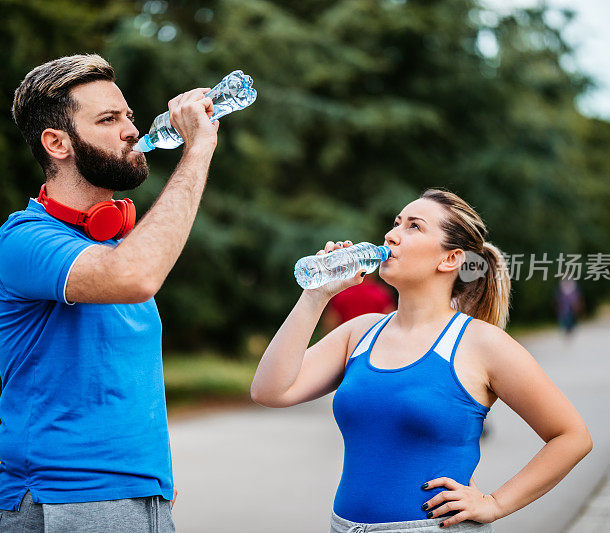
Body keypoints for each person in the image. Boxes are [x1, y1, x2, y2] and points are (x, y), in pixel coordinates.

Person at [251, 189, 592, 532]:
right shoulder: (360, 333)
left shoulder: (482, 344)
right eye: (396, 223)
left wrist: (495, 503)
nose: (391, 234)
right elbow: (270, 391)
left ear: (450, 259)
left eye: (414, 226)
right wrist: (315, 295)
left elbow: (571, 436)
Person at [0, 54, 218, 532]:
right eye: (109, 119)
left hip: (130, 494)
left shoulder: (115, 246)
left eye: (129, 116)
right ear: (57, 143)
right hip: (74, 498)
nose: (132, 130)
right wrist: (197, 150)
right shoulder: (25, 239)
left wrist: (147, 476)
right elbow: (136, 275)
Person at [321, 272, 397, 333]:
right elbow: (390, 320)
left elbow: (331, 322)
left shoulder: (341, 293)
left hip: (347, 342)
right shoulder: (381, 292)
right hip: (373, 342)